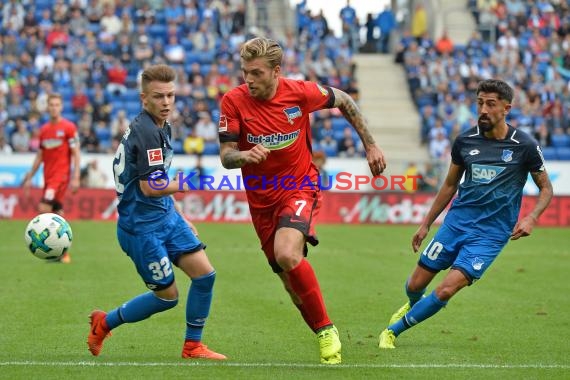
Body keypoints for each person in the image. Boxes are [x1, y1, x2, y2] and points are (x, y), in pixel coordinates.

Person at [218, 37, 386, 364]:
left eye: (255, 73)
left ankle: (326, 330)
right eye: (244, 72)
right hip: (261, 200)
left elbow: (345, 101)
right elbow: (226, 157)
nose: (248, 80)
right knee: (289, 283)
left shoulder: (300, 92)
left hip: (299, 186)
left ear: (276, 71)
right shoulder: (233, 102)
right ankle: (323, 334)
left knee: (286, 253)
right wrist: (245, 155)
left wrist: (371, 146)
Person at [378, 79, 553, 349]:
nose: (483, 109)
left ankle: (392, 331)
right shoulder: (465, 141)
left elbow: (546, 189)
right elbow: (449, 185)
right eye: (480, 103)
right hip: (456, 224)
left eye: (490, 104)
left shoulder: (524, 146)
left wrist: (532, 217)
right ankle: (416, 306)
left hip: (491, 235)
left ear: (506, 108)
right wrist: (425, 224)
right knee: (415, 285)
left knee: (447, 288)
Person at [87, 64, 226, 360]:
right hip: (142, 229)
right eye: (159, 97)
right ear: (143, 99)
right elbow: (151, 187)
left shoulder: (163, 126)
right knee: (167, 298)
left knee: (205, 276)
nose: (166, 103)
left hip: (166, 217)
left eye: (170, 96)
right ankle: (105, 322)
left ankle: (193, 346)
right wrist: (184, 184)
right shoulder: (146, 131)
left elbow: (158, 177)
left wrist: (181, 215)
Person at [21, 92, 81, 264]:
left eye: (57, 104)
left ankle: (53, 249)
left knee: (43, 208)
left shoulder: (69, 128)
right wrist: (29, 176)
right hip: (48, 177)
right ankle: (62, 253)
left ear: (61, 107)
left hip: (60, 177)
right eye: (51, 104)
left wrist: (76, 176)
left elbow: (76, 153)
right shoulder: (44, 130)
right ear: (47, 107)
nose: (54, 107)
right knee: (58, 213)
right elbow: (40, 155)